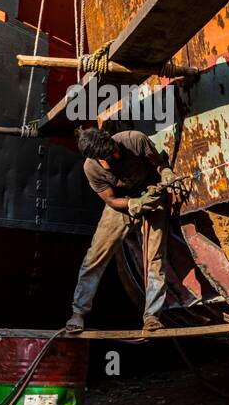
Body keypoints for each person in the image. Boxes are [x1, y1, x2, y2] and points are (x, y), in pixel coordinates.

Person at [65, 127, 175, 334]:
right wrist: (135, 204)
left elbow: (159, 164)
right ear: (96, 158)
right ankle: (78, 313)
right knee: (95, 256)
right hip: (122, 204)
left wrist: (166, 172)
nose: (115, 155)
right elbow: (111, 200)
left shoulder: (134, 139)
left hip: (151, 195)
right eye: (109, 156)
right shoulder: (91, 168)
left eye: (115, 150)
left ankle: (152, 317)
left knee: (155, 257)